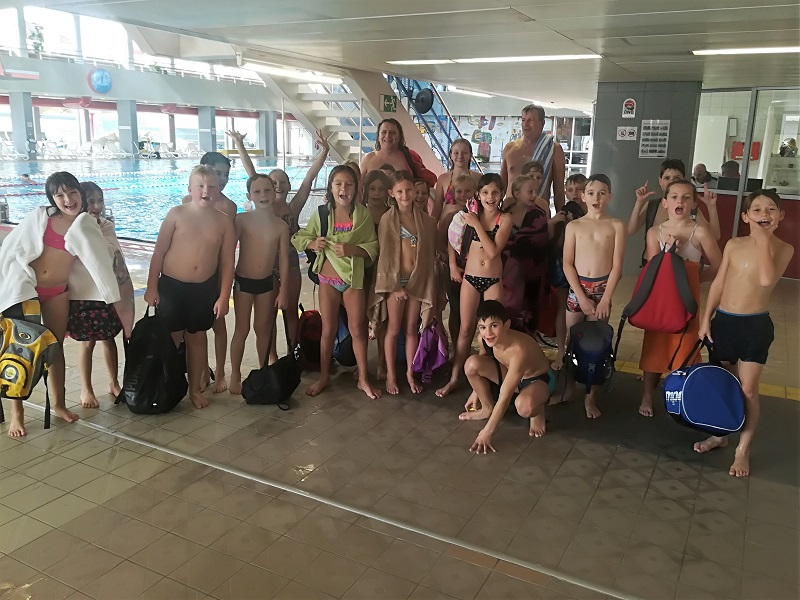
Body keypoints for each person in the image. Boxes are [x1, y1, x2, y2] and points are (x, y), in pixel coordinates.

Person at [0, 172, 121, 437]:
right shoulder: (41, 218)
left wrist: (114, 296)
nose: (68, 199)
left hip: (57, 292)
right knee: (21, 351)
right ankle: (17, 414)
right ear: (52, 199)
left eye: (73, 192)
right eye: (60, 195)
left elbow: (101, 259)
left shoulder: (87, 224)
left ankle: (59, 404)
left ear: (81, 193)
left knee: (54, 348)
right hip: (27, 289)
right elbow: (12, 247)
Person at [694, 189, 793, 477]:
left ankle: (743, 449)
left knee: (748, 388)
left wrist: (763, 239)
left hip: (755, 326)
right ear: (746, 216)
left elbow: (765, 279)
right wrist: (706, 318)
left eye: (770, 209)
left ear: (780, 216)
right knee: (724, 384)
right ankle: (720, 434)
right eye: (757, 209)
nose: (764, 214)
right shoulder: (734, 245)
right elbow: (719, 283)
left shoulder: (784, 248)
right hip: (724, 322)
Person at [227, 129, 330, 363]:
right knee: (268, 315)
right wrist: (240, 144)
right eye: (274, 182)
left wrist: (324, 152)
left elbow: (309, 179)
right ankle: (272, 356)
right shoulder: (265, 206)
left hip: (290, 262)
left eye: (282, 182)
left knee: (291, 309)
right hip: (267, 265)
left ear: (288, 184)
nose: (278, 185)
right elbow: (252, 173)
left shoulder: (293, 207)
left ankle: (294, 354)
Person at [145, 166, 236, 409]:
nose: (206, 191)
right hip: (172, 287)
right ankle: (165, 386)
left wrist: (224, 296)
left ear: (219, 190)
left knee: (197, 339)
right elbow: (159, 252)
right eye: (200, 186)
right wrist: (152, 287)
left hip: (203, 290)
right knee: (171, 338)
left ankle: (195, 390)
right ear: (189, 189)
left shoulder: (224, 222)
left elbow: (228, 263)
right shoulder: (177, 214)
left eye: (212, 187)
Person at [291, 165, 381, 399]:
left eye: (349, 184)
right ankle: (324, 376)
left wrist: (351, 249)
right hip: (327, 280)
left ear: (356, 188)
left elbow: (372, 247)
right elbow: (301, 237)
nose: (344, 188)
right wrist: (313, 243)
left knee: (358, 329)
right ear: (330, 188)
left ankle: (363, 378)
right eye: (338, 184)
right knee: (328, 330)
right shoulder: (322, 214)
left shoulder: (362, 215)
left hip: (352, 279)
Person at [638, 179, 722, 417]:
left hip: (687, 301)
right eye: (674, 197)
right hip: (661, 299)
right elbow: (653, 269)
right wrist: (668, 252)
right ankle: (647, 395)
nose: (680, 202)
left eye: (686, 198)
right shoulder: (655, 232)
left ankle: (683, 394)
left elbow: (719, 265)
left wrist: (695, 279)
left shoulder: (700, 231)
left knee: (686, 344)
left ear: (694, 204)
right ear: (665, 202)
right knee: (654, 342)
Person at [438, 173, 512, 397]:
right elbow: (453, 238)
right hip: (470, 278)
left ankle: (483, 382)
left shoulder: (504, 219)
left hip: (492, 280)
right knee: (465, 330)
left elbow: (493, 251)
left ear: (502, 194)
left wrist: (477, 225)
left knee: (492, 333)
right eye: (486, 192)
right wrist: (453, 265)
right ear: (478, 194)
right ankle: (455, 378)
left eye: (495, 192)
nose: (490, 197)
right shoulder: (469, 215)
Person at [562, 174, 626, 418]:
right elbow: (567, 264)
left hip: (602, 289)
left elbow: (617, 266)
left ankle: (591, 397)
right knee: (571, 342)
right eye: (591, 193)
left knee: (597, 347)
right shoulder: (574, 226)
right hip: (577, 288)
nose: (596, 198)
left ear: (610, 196)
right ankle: (568, 389)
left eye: (602, 193)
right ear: (583, 196)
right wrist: (581, 296)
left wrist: (607, 298)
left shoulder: (616, 225)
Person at [369, 171, 438, 395]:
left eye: (409, 190)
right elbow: (386, 256)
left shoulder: (426, 221)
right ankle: (391, 374)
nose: (405, 195)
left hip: (417, 282)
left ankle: (410, 373)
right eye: (400, 191)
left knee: (411, 329)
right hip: (396, 283)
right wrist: (395, 286)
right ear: (392, 193)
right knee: (393, 328)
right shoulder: (388, 220)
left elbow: (428, 255)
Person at [69, 181, 135, 409]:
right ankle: (86, 389)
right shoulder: (75, 228)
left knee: (109, 339)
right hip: (83, 294)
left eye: (100, 201)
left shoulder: (106, 226)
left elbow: (115, 256)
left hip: (107, 294)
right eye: (91, 201)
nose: (97, 206)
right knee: (86, 343)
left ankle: (113, 382)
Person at [460, 300, 554, 452]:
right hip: (511, 375)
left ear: (506, 325)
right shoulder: (483, 339)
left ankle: (538, 411)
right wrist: (475, 392)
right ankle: (487, 408)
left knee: (524, 407)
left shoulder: (518, 350)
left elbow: (505, 395)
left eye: (494, 326)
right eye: (483, 327)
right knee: (471, 364)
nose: (488, 333)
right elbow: (481, 362)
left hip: (538, 380)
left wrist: (487, 432)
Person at [228, 174, 290, 395]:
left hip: (266, 283)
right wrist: (225, 285)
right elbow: (228, 252)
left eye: (267, 190)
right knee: (241, 329)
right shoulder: (242, 220)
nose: (263, 195)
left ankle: (263, 370)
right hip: (243, 282)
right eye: (257, 191)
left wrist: (283, 291)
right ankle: (235, 374)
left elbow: (284, 260)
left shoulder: (281, 226)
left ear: (274, 193)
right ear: (249, 196)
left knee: (263, 329)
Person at [182, 151, 237, 393]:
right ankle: (202, 369)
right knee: (196, 325)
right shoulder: (187, 200)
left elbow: (227, 248)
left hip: (215, 272)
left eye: (226, 175)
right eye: (218, 173)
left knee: (218, 323)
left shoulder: (228, 206)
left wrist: (224, 285)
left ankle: (221, 371)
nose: (222, 179)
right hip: (193, 273)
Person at [628, 159, 721, 264]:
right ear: (660, 181)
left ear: (683, 180)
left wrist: (711, 207)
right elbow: (631, 230)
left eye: (677, 178)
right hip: (653, 263)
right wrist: (639, 202)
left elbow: (714, 236)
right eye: (667, 178)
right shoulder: (652, 206)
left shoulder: (690, 209)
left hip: (684, 264)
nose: (671, 181)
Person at [501, 174, 551, 335]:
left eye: (536, 191)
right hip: (506, 274)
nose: (534, 195)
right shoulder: (506, 212)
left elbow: (540, 242)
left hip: (531, 275)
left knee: (528, 315)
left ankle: (527, 344)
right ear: (517, 193)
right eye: (530, 191)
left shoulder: (538, 214)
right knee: (506, 312)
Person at [549, 173, 587, 371]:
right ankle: (561, 351)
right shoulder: (563, 214)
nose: (575, 194)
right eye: (570, 190)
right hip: (563, 265)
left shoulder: (592, 214)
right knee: (563, 308)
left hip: (586, 268)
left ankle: (583, 351)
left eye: (579, 189)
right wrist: (560, 223)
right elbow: (554, 243)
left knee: (586, 311)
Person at [500, 104, 566, 211]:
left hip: (539, 213)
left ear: (542, 123)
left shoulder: (553, 149)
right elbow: (501, 187)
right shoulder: (510, 149)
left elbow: (559, 190)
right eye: (523, 120)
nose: (525, 124)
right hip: (510, 212)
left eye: (530, 120)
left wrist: (561, 216)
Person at [439, 174, 476, 346]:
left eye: (468, 191)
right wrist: (452, 265)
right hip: (455, 270)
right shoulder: (449, 217)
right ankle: (456, 345)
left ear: (475, 192)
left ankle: (466, 347)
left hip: (475, 269)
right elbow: (443, 243)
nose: (463, 195)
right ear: (454, 193)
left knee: (472, 312)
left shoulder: (479, 217)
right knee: (456, 310)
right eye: (459, 191)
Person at [361, 169, 391, 379]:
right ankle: (361, 365)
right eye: (372, 188)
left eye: (381, 189)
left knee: (383, 319)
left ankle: (381, 363)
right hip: (363, 269)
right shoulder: (360, 213)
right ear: (366, 190)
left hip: (384, 270)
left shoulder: (392, 214)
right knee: (361, 318)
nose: (376, 193)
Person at [360, 118, 437, 188]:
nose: (388, 136)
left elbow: (429, 180)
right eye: (384, 132)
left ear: (400, 136)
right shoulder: (367, 159)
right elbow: (359, 188)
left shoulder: (410, 156)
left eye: (392, 132)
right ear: (378, 136)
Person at [432, 138, 482, 220]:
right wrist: (432, 225)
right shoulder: (443, 179)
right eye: (456, 153)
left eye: (464, 153)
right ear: (451, 155)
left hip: (470, 225)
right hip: (446, 225)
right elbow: (437, 208)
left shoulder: (478, 178)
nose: (460, 156)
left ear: (470, 155)